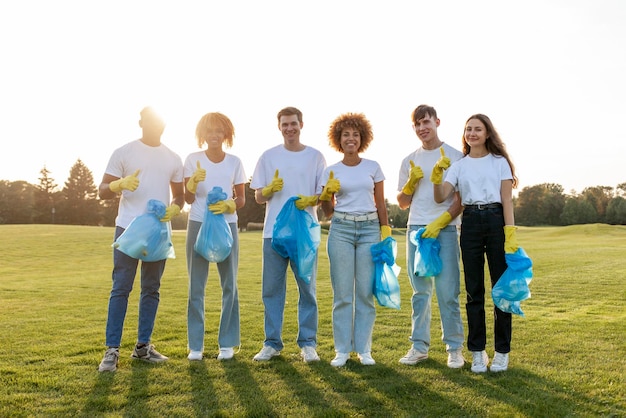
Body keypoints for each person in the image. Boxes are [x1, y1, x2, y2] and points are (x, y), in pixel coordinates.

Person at [98, 106, 184, 372]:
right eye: (149, 120)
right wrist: (118, 185)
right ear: (140, 122)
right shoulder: (123, 152)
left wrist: (176, 208)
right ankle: (112, 351)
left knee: (151, 289)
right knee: (121, 288)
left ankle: (143, 347)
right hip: (128, 229)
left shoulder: (173, 158)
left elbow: (180, 196)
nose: (154, 124)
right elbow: (102, 190)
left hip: (158, 232)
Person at [433, 113, 519, 373]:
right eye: (468, 129)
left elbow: (507, 200)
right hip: (469, 222)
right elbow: (441, 198)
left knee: (500, 290)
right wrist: (437, 175)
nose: (472, 133)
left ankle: (502, 352)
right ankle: (478, 352)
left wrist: (510, 234)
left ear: (487, 133)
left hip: (494, 220)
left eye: (477, 129)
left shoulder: (499, 162)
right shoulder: (459, 165)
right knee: (474, 291)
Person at [250, 106, 326, 363]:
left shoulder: (315, 157)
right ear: (279, 127)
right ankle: (271, 343)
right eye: (285, 124)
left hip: (304, 233)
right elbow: (258, 196)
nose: (289, 128)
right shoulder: (268, 157)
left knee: (308, 290)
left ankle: (308, 344)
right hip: (273, 233)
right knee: (271, 290)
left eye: (293, 123)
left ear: (301, 125)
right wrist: (269, 188)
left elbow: (321, 195)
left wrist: (311, 200)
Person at [396, 105, 465, 368]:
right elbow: (402, 202)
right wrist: (411, 183)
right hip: (416, 231)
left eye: (426, 122)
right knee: (420, 293)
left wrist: (442, 221)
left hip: (444, 229)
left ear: (437, 122)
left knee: (448, 292)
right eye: (417, 124)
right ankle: (419, 347)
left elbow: (460, 200)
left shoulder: (456, 157)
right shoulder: (408, 160)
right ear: (413, 128)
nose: (422, 128)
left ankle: (455, 348)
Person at [320, 112, 391, 367]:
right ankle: (341, 350)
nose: (351, 139)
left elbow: (380, 203)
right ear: (338, 139)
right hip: (341, 229)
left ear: (363, 138)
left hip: (370, 229)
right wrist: (327, 194)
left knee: (363, 293)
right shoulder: (331, 171)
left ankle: (364, 350)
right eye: (346, 135)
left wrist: (385, 231)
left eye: (355, 134)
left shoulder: (373, 167)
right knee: (342, 294)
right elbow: (327, 211)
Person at [184, 112, 247, 361]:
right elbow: (188, 199)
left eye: (219, 130)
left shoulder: (235, 162)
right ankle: (196, 346)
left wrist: (232, 205)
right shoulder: (192, 160)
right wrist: (191, 184)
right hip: (198, 225)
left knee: (229, 284)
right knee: (196, 287)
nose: (214, 135)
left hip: (226, 226)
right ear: (202, 134)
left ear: (226, 134)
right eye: (209, 130)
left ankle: (227, 344)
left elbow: (241, 197)